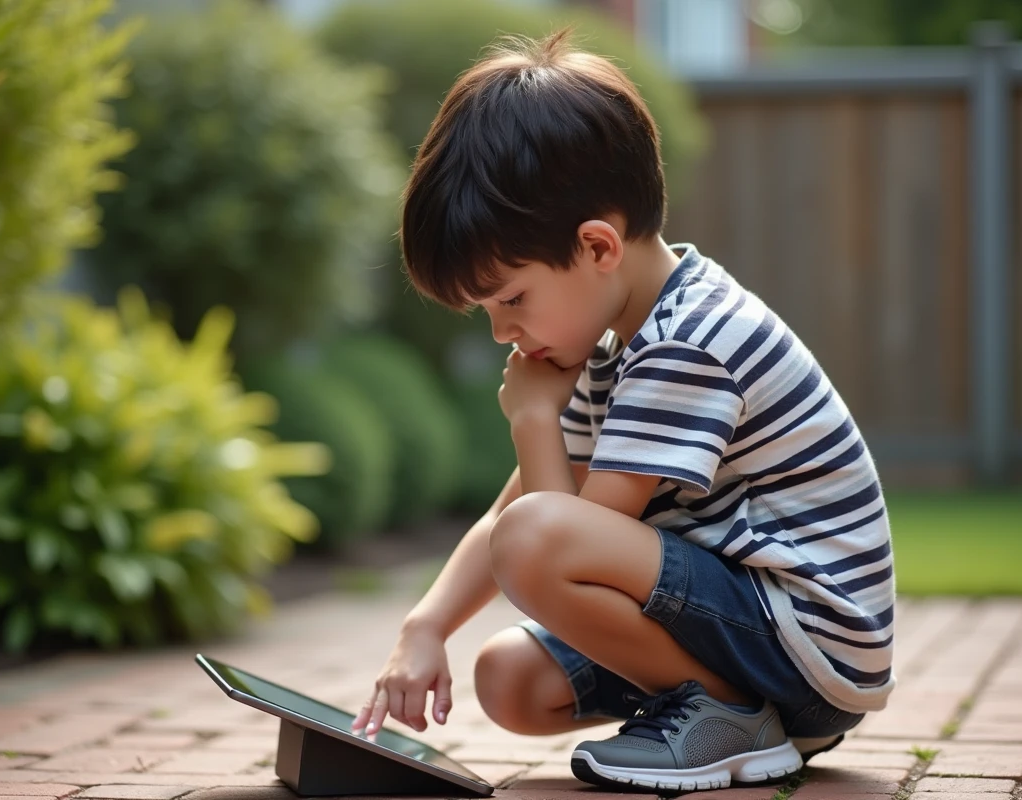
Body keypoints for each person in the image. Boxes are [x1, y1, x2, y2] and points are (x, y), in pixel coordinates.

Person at [350, 30, 895, 794]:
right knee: (509, 678)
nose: (504, 331)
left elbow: (564, 534)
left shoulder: (689, 342)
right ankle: (728, 713)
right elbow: (530, 512)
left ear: (598, 247)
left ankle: (729, 714)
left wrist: (535, 423)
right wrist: (427, 625)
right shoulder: (620, 340)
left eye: (511, 299)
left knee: (537, 540)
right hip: (752, 630)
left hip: (809, 647)